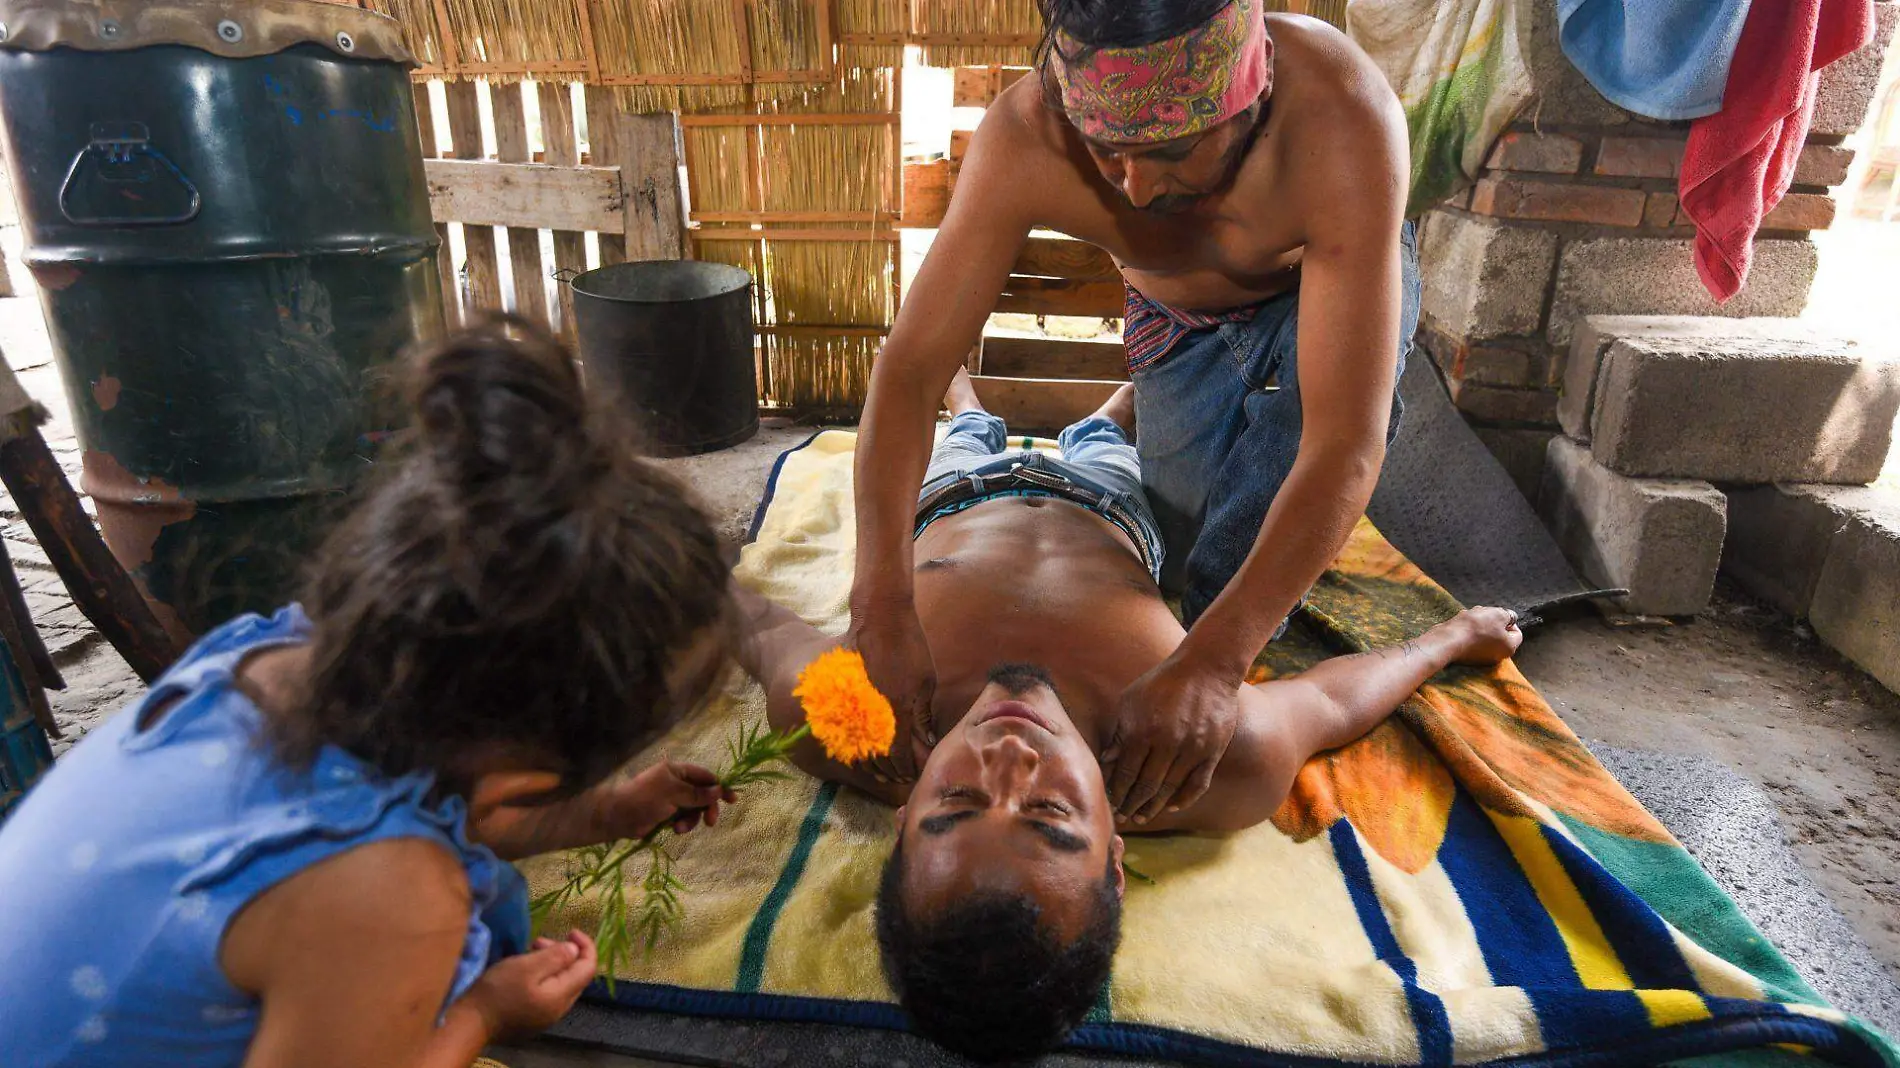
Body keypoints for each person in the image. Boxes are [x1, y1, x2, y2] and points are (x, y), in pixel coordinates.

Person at [0, 318, 744, 1068]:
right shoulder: (390, 900)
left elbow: (427, 799)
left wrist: (607, 812)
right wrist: (484, 1013)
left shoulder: (265, 656)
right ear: (520, 778)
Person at [737, 372, 1521, 1062]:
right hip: (1107, 512)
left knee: (961, 433)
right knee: (1107, 437)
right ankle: (1117, 404)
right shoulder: (1212, 763)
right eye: (1048, 810)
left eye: (958, 801)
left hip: (949, 498)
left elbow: (751, 624)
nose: (1008, 759)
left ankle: (965, 398)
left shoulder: (852, 721)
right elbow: (1324, 701)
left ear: (904, 814)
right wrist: (1446, 640)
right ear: (1114, 854)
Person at [847, 0, 1421, 831]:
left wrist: (1219, 666)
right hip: (1176, 325)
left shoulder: (1341, 118)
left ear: (1251, 92)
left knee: (1231, 599)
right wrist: (880, 605)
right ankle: (1138, 405)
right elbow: (907, 379)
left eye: (1176, 151)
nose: (1138, 186)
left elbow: (1343, 444)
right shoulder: (1027, 137)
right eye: (1106, 150)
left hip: (1317, 297)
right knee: (1183, 565)